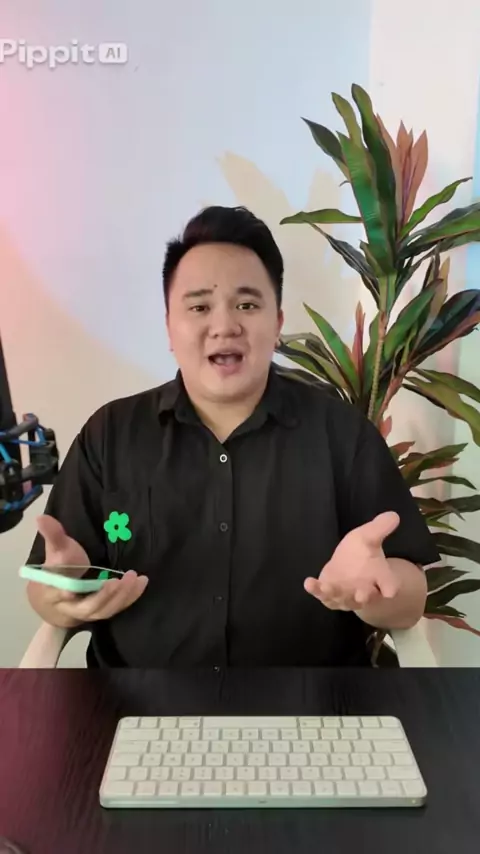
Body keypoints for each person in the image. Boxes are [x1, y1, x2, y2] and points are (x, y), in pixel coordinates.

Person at [25, 205, 439, 668]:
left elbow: (411, 597)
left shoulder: (340, 433)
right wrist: (59, 594)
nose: (224, 326)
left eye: (247, 305)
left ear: (277, 323)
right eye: (200, 307)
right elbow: (47, 588)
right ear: (169, 327)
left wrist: (373, 590)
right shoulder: (110, 435)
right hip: (137, 700)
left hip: (311, 701)